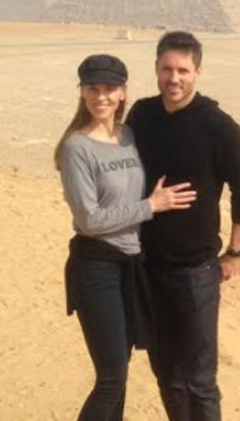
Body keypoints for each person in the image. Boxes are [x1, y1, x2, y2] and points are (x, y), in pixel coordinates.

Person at [54, 53, 197, 421]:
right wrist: (151, 205)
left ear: (122, 93)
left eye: (109, 89)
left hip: (130, 265)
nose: (101, 97)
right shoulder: (76, 147)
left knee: (120, 370)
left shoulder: (128, 136)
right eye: (93, 89)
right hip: (96, 264)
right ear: (82, 92)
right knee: (111, 378)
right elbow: (89, 219)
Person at [126, 31, 240, 421]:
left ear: (198, 72)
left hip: (195, 271)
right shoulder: (142, 115)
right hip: (147, 265)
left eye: (183, 70)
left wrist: (235, 251)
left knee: (199, 378)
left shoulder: (218, 126)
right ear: (156, 69)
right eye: (167, 69)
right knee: (166, 373)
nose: (174, 78)